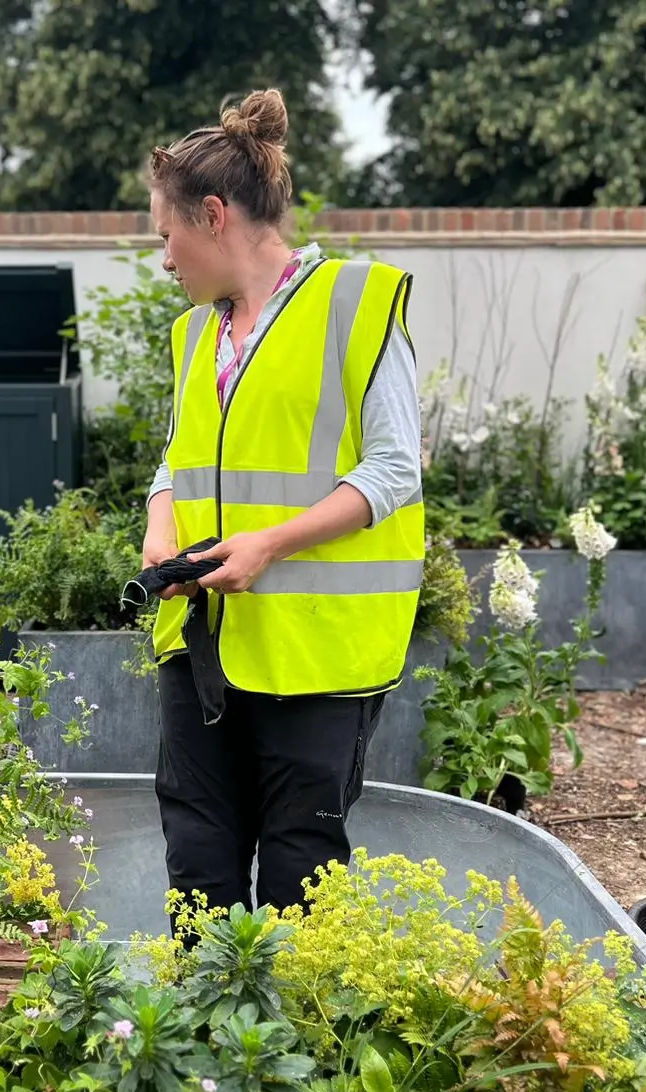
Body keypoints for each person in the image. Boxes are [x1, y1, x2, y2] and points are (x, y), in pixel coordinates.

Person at [141, 87, 424, 924]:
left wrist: (270, 545)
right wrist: (162, 531)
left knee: (302, 868)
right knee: (197, 850)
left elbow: (393, 470)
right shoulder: (196, 337)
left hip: (317, 652)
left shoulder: (356, 306)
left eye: (167, 235)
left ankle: (293, 1045)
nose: (164, 259)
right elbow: (176, 458)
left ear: (215, 215)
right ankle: (202, 1033)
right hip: (203, 644)